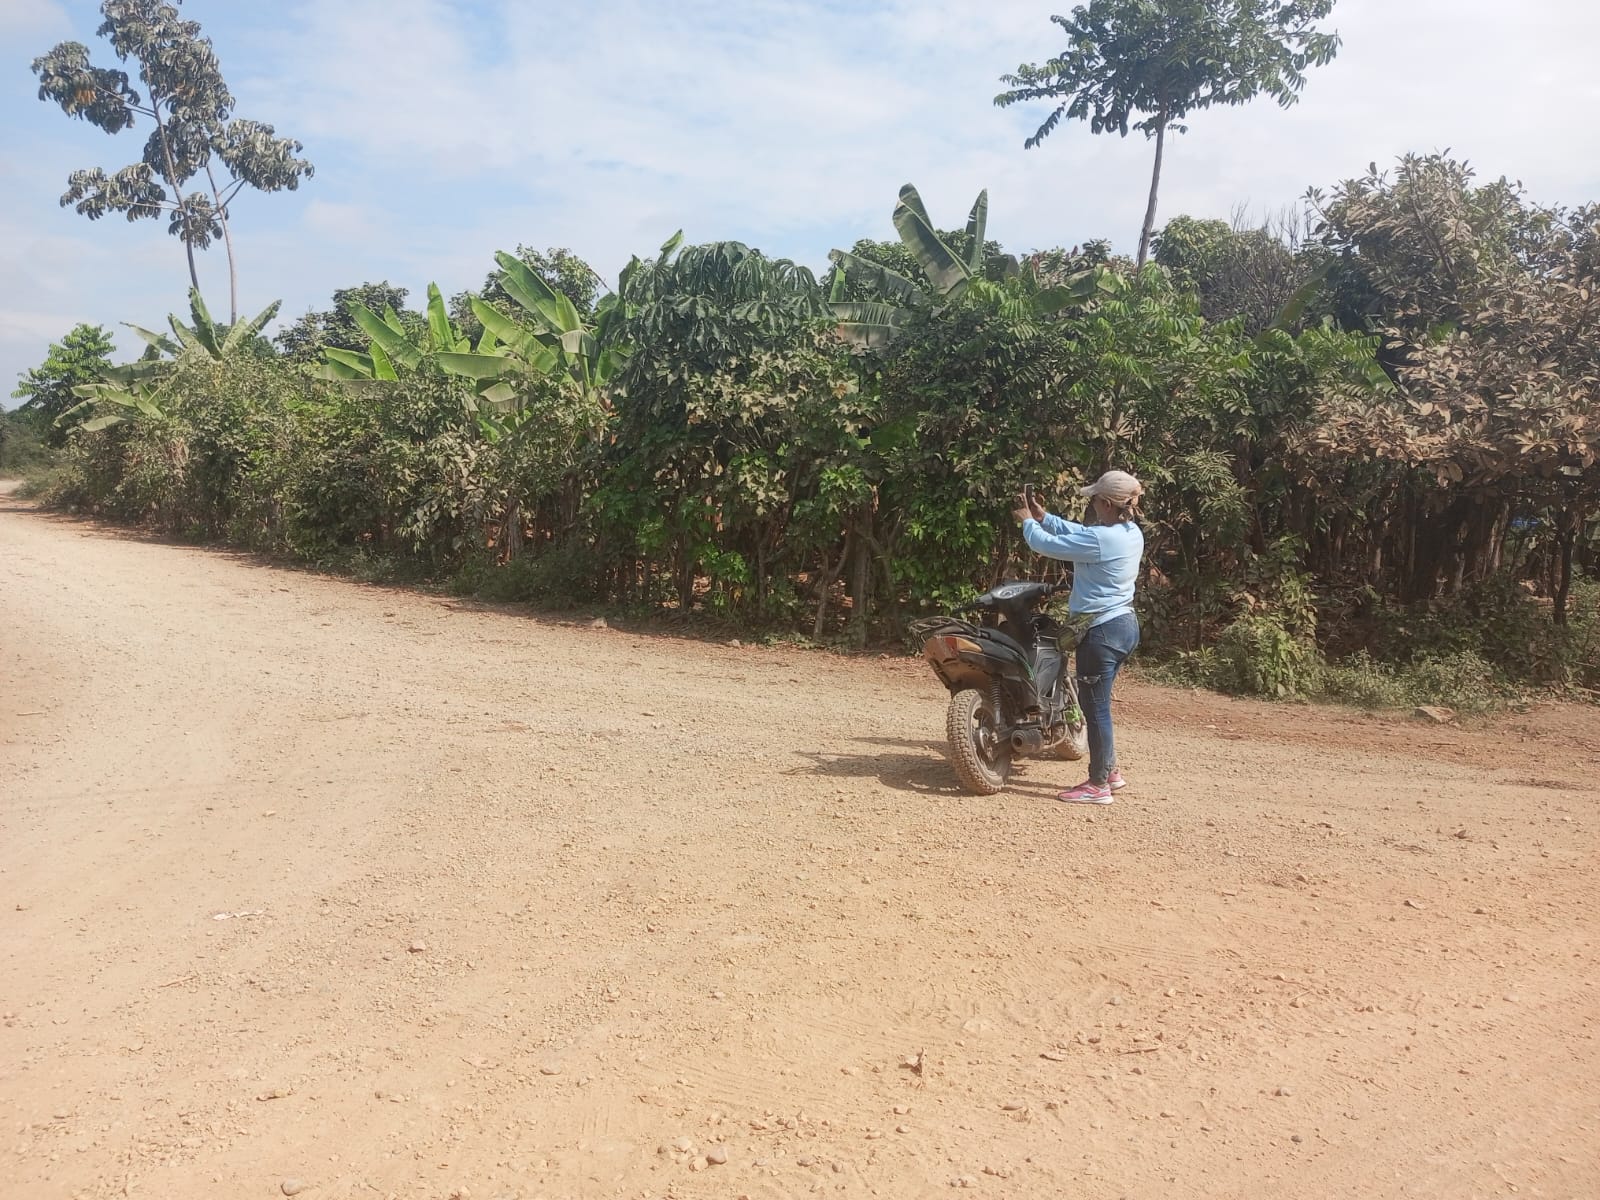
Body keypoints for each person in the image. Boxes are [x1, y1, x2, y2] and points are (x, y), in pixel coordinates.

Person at [1012, 470, 1145, 805]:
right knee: (1099, 706)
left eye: (1095, 499)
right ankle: (1110, 772)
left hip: (1101, 632)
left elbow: (1045, 545)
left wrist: (1028, 522)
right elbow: (1082, 535)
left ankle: (1098, 785)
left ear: (1106, 503)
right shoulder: (1130, 533)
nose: (1092, 505)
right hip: (1124, 626)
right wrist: (1045, 518)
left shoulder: (1103, 539)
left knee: (1095, 709)